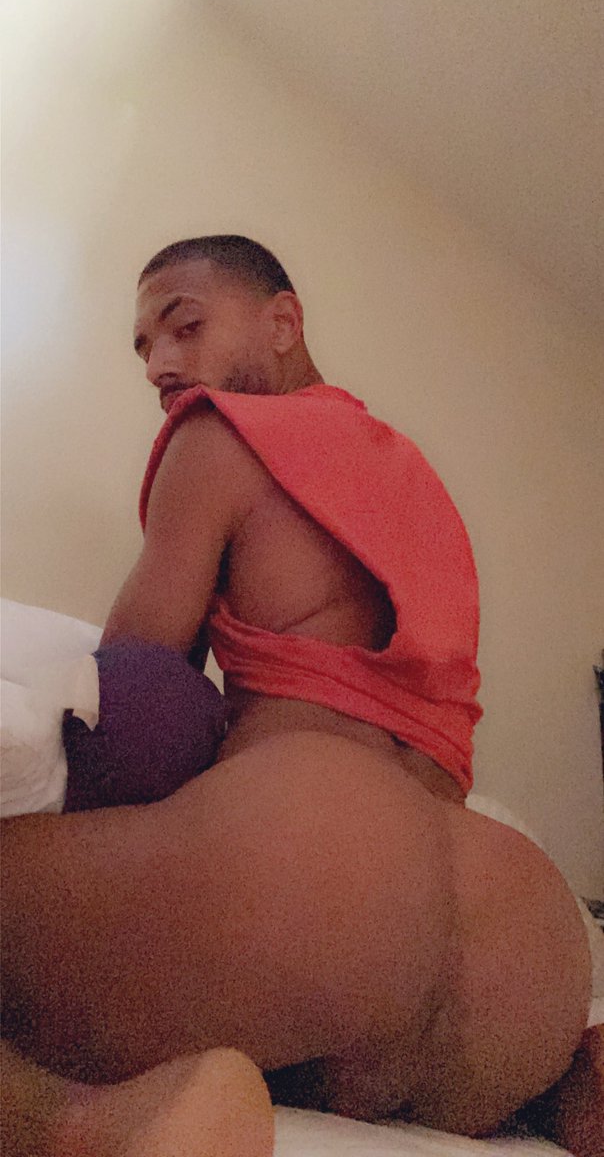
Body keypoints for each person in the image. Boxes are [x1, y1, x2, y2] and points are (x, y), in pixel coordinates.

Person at [1, 236, 600, 1155]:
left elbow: (131, 683)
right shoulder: (414, 477)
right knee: (348, 1017)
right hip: (519, 937)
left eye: (185, 327)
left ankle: (80, 1125)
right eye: (144, 347)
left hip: (316, 855)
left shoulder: (220, 434)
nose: (159, 365)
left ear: (283, 322)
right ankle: (570, 1084)